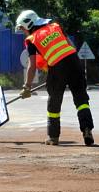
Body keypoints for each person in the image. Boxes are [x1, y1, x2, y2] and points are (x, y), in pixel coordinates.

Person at [16, 9, 94, 146]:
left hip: (58, 67)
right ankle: (87, 129)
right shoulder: (55, 27)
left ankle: (53, 136)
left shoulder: (31, 39)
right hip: (74, 61)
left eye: (23, 29)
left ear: (29, 25)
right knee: (81, 99)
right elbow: (71, 46)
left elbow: (32, 66)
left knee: (54, 102)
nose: (23, 32)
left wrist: (27, 86)